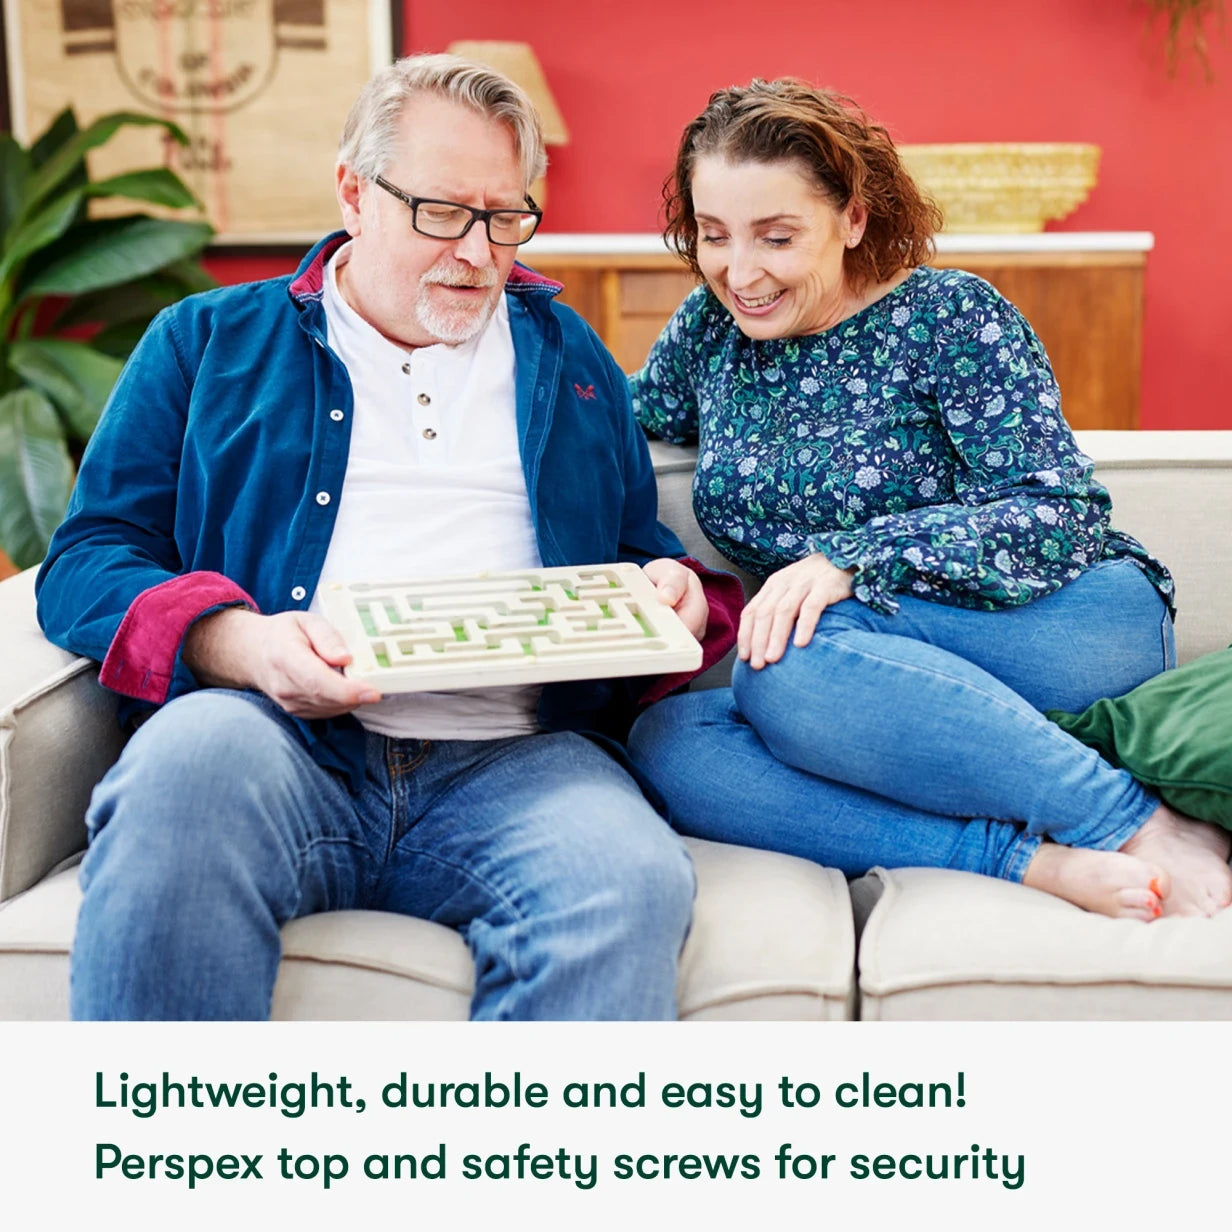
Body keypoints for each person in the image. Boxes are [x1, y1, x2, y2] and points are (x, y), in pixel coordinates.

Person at [34, 54, 741, 1020]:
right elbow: (87, 560)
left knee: (627, 878)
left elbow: (631, 545)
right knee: (182, 777)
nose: (477, 252)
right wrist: (235, 642)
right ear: (354, 194)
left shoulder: (569, 355)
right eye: (443, 211)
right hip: (275, 738)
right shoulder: (204, 342)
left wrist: (667, 585)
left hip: (518, 762)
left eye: (505, 217)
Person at [627, 77, 1232, 921]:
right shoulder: (710, 331)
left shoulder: (951, 315)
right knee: (671, 741)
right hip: (866, 668)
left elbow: (1057, 510)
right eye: (714, 234)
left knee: (782, 661)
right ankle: (1022, 859)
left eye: (776, 236)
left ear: (853, 220)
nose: (740, 270)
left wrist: (851, 558)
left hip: (1060, 617)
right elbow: (614, 418)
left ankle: (1130, 822)